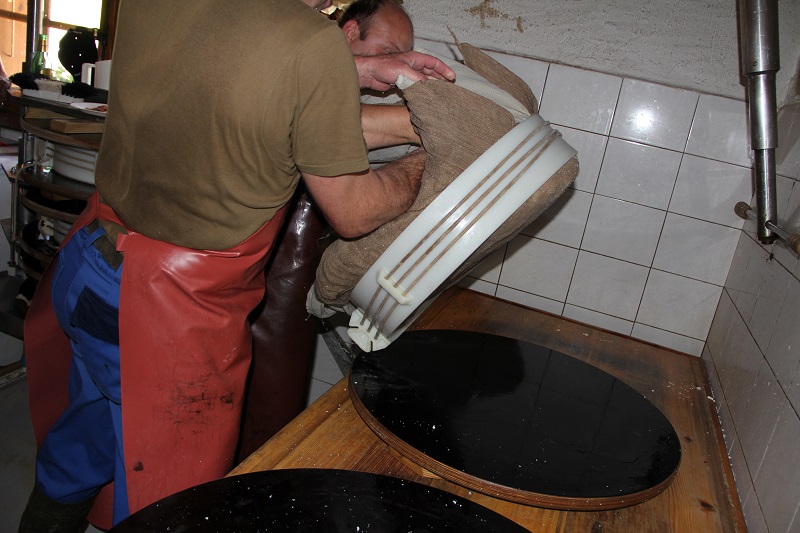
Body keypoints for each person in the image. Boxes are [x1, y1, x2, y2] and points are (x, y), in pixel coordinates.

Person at [19, 0, 454, 530]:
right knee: (173, 509)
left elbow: (230, 76)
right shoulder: (310, 43)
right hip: (168, 316)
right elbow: (354, 211)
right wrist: (429, 161)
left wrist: (357, 69)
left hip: (91, 265)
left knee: (85, 440)